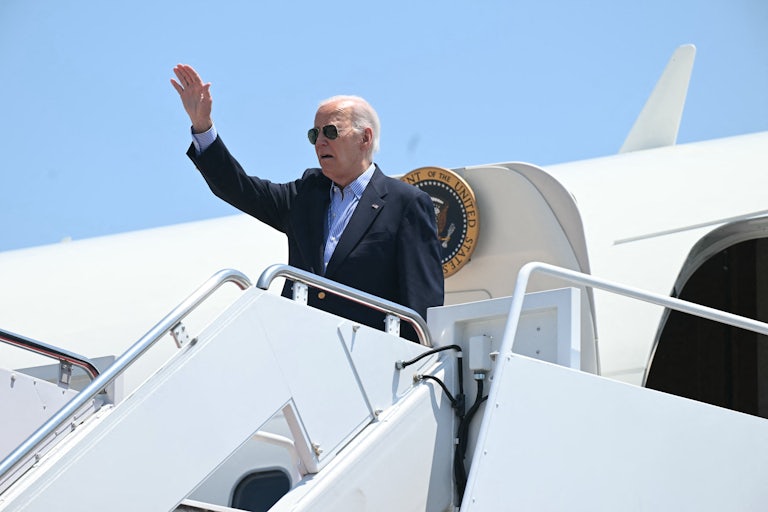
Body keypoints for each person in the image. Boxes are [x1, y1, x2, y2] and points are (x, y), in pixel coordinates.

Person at [171, 64, 444, 342]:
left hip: (368, 361)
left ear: (365, 137)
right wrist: (202, 126)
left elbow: (421, 306)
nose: (320, 142)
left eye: (331, 132)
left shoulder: (405, 204)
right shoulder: (306, 194)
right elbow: (238, 188)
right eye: (315, 135)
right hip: (299, 351)